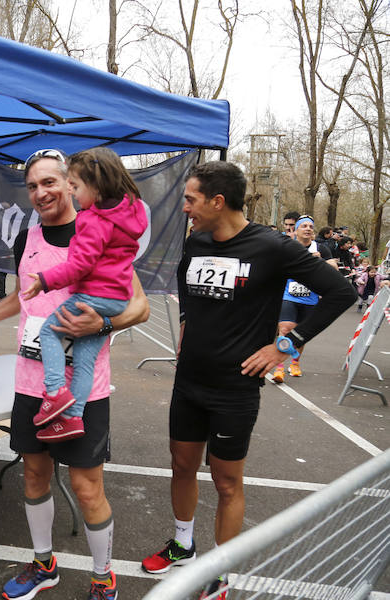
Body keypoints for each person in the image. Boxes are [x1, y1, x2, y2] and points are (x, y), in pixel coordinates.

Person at [140, 161, 355, 599]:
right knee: (181, 465)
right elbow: (186, 286)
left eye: (191, 199)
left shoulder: (273, 247)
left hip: (234, 390)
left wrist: (287, 344)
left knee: (226, 482)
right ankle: (183, 544)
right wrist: (185, 323)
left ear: (218, 201)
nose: (185, 208)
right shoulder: (196, 241)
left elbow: (341, 292)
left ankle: (220, 572)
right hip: (189, 381)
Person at [0, 149, 150, 600]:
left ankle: (103, 578)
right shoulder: (26, 237)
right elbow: (23, 297)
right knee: (34, 475)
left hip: (83, 387)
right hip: (32, 383)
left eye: (49, 182)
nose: (40, 192)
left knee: (87, 488)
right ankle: (43, 565)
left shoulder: (100, 226)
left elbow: (139, 307)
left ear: (70, 183)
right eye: (32, 186)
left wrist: (102, 323)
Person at [21, 148, 147, 443]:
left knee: (50, 333)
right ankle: (72, 417)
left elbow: (79, 266)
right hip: (115, 299)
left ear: (96, 185)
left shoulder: (92, 221)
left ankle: (54, 393)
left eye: (75, 186)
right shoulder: (131, 213)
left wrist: (44, 280)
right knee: (84, 361)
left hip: (93, 296)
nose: (74, 193)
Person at [270, 215, 337, 383]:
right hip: (288, 295)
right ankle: (279, 368)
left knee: (301, 334)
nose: (308, 228)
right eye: (304, 226)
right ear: (297, 230)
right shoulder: (288, 246)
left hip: (310, 297)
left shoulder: (320, 248)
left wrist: (319, 261)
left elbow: (334, 268)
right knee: (285, 329)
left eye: (310, 226)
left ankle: (294, 363)